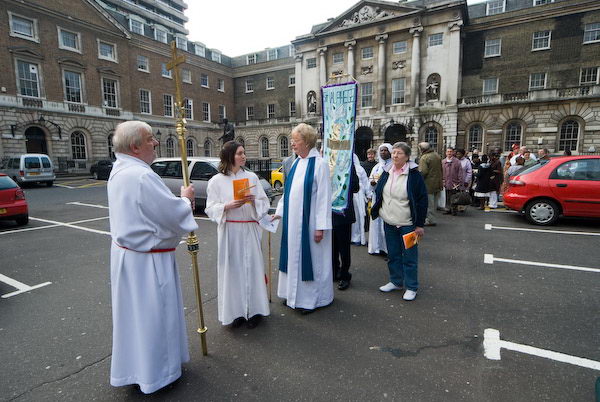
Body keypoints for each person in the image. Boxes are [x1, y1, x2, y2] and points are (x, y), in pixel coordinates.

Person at [107, 121, 197, 394]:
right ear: (135, 146)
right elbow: (171, 214)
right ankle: (159, 374)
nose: (156, 143)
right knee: (155, 317)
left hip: (128, 257)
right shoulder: (141, 175)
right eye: (150, 139)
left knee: (135, 319)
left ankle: (138, 369)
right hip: (148, 262)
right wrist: (185, 199)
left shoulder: (120, 169)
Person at [205, 141, 270, 328]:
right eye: (240, 153)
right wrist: (226, 206)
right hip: (230, 231)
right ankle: (236, 313)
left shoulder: (251, 178)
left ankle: (256, 310)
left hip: (248, 229)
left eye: (244, 153)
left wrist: (254, 202)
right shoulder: (216, 181)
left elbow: (264, 204)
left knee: (252, 269)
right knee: (233, 271)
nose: (243, 156)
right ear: (229, 156)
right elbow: (210, 208)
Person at [273, 123, 333, 313]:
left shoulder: (320, 164)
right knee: (292, 258)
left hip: (310, 225)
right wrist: (279, 211)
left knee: (312, 261)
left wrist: (320, 227)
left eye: (295, 140)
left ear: (306, 142)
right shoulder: (297, 162)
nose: (292, 144)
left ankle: (310, 300)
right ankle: (292, 295)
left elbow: (324, 198)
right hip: (292, 223)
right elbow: (288, 192)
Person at [370, 142, 428, 301]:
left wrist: (420, 225)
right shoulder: (387, 171)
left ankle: (411, 286)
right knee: (393, 254)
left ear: (407, 157)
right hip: (389, 222)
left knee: (410, 256)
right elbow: (379, 191)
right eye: (394, 152)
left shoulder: (415, 175)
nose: (395, 155)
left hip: (408, 224)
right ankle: (396, 281)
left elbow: (422, 200)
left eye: (399, 153)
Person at [332, 162, 359, 290]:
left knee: (343, 248)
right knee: (331, 247)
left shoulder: (349, 164)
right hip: (328, 214)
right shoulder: (325, 164)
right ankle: (334, 271)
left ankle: (344, 275)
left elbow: (355, 187)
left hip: (343, 214)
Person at [368, 143, 393, 255]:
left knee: (386, 224)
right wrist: (372, 183)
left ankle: (387, 249)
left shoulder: (393, 165)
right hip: (376, 197)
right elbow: (371, 181)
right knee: (376, 222)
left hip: (388, 199)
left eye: (386, 150)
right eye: (381, 150)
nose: (383, 152)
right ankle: (376, 247)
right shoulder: (377, 167)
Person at [417, 142, 442, 226]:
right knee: (434, 203)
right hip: (437, 182)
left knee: (428, 203)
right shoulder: (436, 155)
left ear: (422, 149)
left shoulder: (424, 157)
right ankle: (432, 218)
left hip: (428, 184)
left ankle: (430, 220)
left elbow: (423, 172)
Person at [442, 147, 462, 215]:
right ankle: (448, 209)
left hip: (454, 182)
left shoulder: (457, 162)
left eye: (450, 151)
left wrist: (459, 182)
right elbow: (441, 172)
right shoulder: (443, 162)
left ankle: (454, 210)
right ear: (446, 153)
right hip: (446, 182)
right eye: (448, 151)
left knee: (454, 197)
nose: (449, 153)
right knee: (447, 196)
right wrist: (442, 180)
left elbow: (460, 172)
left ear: (453, 153)